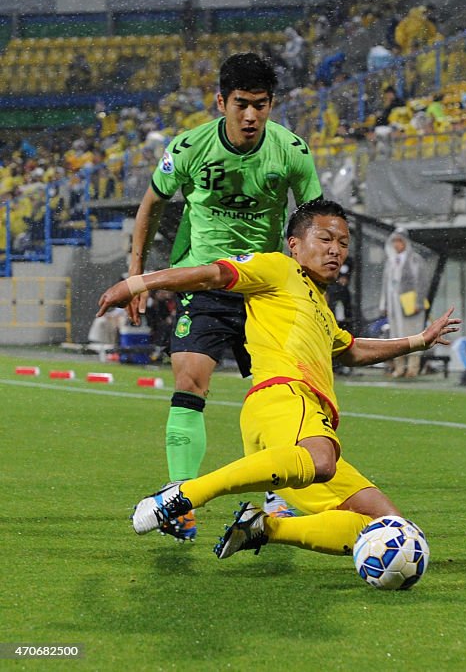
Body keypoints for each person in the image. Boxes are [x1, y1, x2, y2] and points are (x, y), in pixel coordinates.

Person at [103, 199, 461, 560]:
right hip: (284, 399)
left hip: (301, 424)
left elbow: (350, 349)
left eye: (343, 243)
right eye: (325, 239)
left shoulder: (319, 305)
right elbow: (211, 274)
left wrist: (419, 341)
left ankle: (263, 528)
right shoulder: (276, 268)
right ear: (294, 244)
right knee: (321, 461)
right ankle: (183, 495)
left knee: (389, 523)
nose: (335, 250)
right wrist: (137, 283)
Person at [124, 52, 323, 541]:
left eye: (260, 105)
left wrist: (311, 289)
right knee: (190, 379)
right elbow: (151, 204)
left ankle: (283, 497)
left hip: (264, 289)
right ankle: (180, 498)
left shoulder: (292, 152)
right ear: (221, 102)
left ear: (272, 104)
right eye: (241, 105)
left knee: (281, 396)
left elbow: (315, 221)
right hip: (205, 281)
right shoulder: (189, 148)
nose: (251, 116)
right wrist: (136, 271)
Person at [379, 228, 428, 378]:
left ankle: (413, 369)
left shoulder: (415, 260)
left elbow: (422, 282)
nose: (397, 244)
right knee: (396, 335)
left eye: (400, 241)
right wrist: (384, 304)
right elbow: (386, 284)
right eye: (395, 241)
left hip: (409, 304)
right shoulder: (390, 261)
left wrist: (418, 303)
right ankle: (399, 368)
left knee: (413, 335)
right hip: (394, 304)